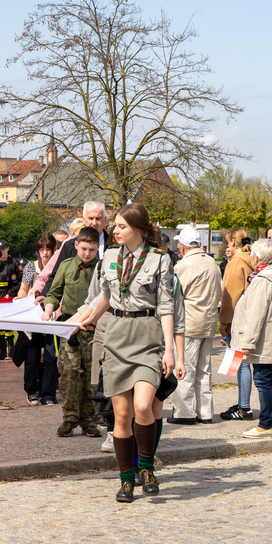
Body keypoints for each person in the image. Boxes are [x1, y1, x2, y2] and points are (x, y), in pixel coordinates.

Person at [80, 203, 182, 502]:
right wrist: (87, 318)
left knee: (142, 407)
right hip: (116, 337)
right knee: (121, 415)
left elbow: (165, 307)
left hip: (148, 339)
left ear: (137, 229)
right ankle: (126, 480)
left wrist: (171, 352)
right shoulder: (109, 256)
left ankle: (147, 467)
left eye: (121, 226)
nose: (115, 231)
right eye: (116, 226)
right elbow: (105, 296)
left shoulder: (159, 261)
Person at [42, 227, 102, 437]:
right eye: (84, 248)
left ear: (98, 249)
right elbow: (54, 292)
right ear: (75, 245)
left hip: (94, 330)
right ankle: (69, 417)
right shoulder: (66, 266)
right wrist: (49, 307)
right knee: (69, 373)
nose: (87, 254)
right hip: (69, 328)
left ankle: (89, 421)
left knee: (91, 377)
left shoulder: (102, 269)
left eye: (92, 250)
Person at [231, 239, 272, 439]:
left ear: (257, 256)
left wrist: (247, 343)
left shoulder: (263, 280)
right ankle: (268, 421)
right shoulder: (271, 276)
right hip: (268, 339)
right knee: (265, 380)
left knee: (263, 380)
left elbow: (256, 314)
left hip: (263, 341)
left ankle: (265, 424)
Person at [169, 226, 222, 424]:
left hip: (188, 323)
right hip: (208, 321)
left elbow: (174, 295)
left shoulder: (183, 266)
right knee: (204, 369)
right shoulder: (212, 263)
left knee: (184, 368)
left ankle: (184, 412)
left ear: (182, 246)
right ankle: (205, 412)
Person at [218, 228, 255, 421]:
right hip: (251, 317)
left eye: (227, 242)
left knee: (241, 363)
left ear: (233, 242)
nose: (226, 246)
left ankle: (244, 406)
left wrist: (224, 322)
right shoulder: (254, 260)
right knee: (246, 362)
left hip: (238, 320)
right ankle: (244, 403)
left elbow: (229, 296)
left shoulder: (236, 264)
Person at [17, 233, 56, 403]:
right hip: (33, 318)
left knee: (50, 356)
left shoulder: (58, 267)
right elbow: (23, 289)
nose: (45, 252)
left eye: (48, 249)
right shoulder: (31, 267)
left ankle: (48, 393)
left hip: (51, 317)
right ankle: (31, 390)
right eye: (41, 249)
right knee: (32, 357)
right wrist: (21, 299)